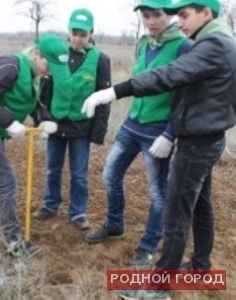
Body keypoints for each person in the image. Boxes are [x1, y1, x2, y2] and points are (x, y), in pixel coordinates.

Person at [81, 0, 236, 298]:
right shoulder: (221, 43)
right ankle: (201, 270)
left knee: (176, 215)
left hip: (196, 143)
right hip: (208, 138)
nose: (180, 22)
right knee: (201, 207)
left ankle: (156, 289)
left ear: (206, 14)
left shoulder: (212, 45)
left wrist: (114, 91)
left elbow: (168, 76)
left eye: (185, 15)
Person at [84, 0, 192, 270]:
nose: (151, 21)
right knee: (110, 173)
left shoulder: (183, 46)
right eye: (146, 16)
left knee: (158, 192)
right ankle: (115, 224)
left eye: (156, 15)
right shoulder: (144, 44)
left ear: (169, 15)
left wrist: (170, 134)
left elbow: (185, 97)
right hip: (133, 123)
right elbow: (139, 81)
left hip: (158, 130)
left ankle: (149, 245)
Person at [0, 34, 69, 258]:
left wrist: (43, 118)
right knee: (6, 180)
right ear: (37, 54)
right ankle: (14, 242)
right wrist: (8, 121)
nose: (49, 72)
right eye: (49, 65)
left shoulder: (37, 74)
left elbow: (32, 101)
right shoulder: (10, 65)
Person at [32, 8, 111, 230]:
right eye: (74, 32)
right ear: (68, 31)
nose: (77, 38)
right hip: (56, 122)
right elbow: (46, 89)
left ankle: (77, 212)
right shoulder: (57, 54)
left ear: (92, 34)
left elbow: (104, 98)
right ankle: (50, 204)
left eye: (83, 34)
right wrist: (42, 119)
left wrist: (98, 132)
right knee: (52, 168)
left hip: (81, 126)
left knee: (79, 173)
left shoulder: (101, 60)